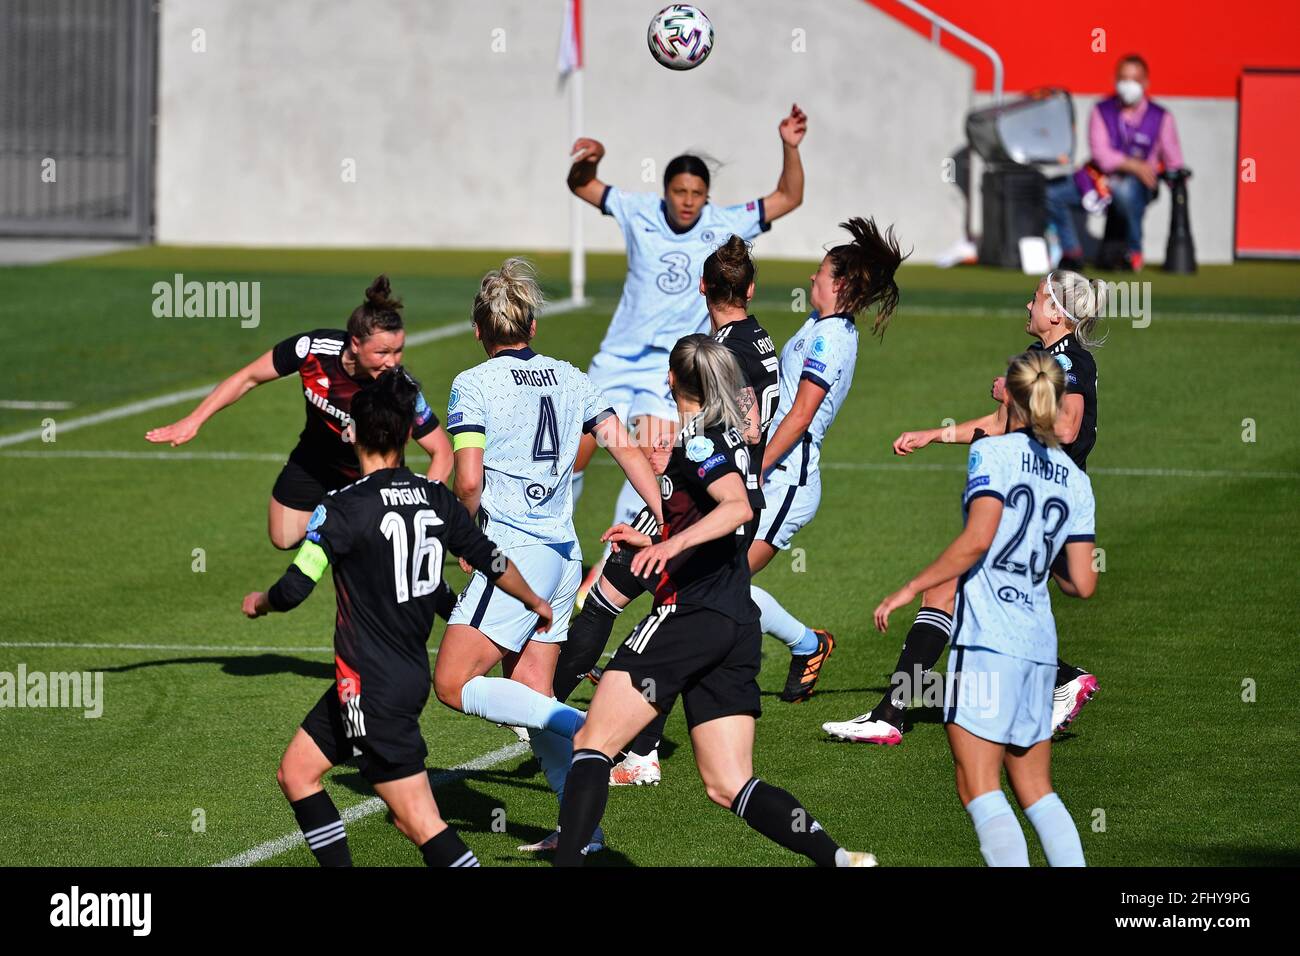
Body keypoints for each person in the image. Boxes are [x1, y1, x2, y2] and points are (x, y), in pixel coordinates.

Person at [553, 335, 875, 867]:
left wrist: (672, 545)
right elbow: (718, 510)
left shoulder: (698, 440)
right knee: (729, 783)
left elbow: (737, 508)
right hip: (735, 623)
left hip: (688, 616)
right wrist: (656, 539)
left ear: (673, 380)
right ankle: (837, 859)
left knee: (591, 742)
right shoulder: (736, 439)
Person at [240, 366, 554, 867]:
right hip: (394, 679)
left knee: (417, 821)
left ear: (352, 433)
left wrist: (261, 602)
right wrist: (535, 601)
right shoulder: (437, 500)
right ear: (408, 434)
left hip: (370, 685)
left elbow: (297, 586)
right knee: (297, 773)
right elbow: (490, 562)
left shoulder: (340, 508)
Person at [429, 258, 661, 855]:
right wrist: (666, 516)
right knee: (532, 688)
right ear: (532, 328)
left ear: (479, 331)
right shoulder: (572, 377)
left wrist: (468, 539)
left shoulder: (471, 385)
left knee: (453, 683)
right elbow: (626, 450)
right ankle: (582, 833)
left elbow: (469, 479)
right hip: (562, 553)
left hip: (513, 555)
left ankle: (584, 729)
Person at [824, 270, 1105, 745]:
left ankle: (893, 714)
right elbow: (999, 424)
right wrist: (933, 434)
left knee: (947, 590)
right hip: (1031, 501)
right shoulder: (1040, 359)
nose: (1028, 306)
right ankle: (894, 711)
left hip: (1038, 504)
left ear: (1056, 313)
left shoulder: (1071, 361)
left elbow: (1070, 427)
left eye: (1036, 299)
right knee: (962, 600)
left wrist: (1019, 396)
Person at [553, 234, 779, 787]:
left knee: (609, 595)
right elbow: (755, 427)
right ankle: (639, 748)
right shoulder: (763, 339)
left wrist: (682, 444)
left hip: (699, 494)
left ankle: (542, 713)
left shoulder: (715, 349)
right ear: (751, 288)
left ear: (702, 287)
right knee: (679, 617)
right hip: (728, 486)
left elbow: (733, 425)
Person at [565, 104, 807, 595]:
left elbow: (788, 196)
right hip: (615, 359)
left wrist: (790, 145)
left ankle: (608, 573)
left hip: (667, 371)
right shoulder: (638, 211)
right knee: (574, 457)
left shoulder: (723, 223)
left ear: (707, 196)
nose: (688, 201)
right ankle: (558, 547)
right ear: (666, 191)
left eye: (697, 193)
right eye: (679, 191)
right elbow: (581, 185)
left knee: (653, 466)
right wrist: (593, 160)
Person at [873, 349, 1098, 866]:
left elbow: (977, 539)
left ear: (1011, 401)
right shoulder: (1074, 478)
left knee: (978, 786)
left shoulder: (991, 453)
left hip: (988, 641)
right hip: (1040, 646)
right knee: (1037, 790)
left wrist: (912, 587)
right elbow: (1082, 583)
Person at [145, 275, 454, 551]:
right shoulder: (312, 350)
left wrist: (421, 505)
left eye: (398, 350)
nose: (392, 361)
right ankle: (342, 531)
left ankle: (351, 540)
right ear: (356, 343)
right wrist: (194, 419)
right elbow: (247, 378)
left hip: (371, 475)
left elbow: (442, 451)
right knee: (282, 537)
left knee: (370, 556)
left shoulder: (400, 388)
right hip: (314, 460)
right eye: (382, 352)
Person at [750, 217, 906, 704]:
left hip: (785, 481)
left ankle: (805, 645)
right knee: (713, 582)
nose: (811, 280)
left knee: (720, 584)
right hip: (773, 469)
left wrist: (757, 467)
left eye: (819, 272)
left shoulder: (831, 337)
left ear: (837, 284)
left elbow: (800, 415)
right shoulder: (819, 324)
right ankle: (802, 644)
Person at [1044, 54, 1185, 272]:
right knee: (1052, 193)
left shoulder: (1161, 117)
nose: (1129, 85)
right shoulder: (1101, 109)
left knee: (1124, 188)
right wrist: (1134, 164)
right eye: (1124, 78)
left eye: (1135, 79)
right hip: (1097, 179)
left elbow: (1174, 161)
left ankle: (1133, 251)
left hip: (1139, 185)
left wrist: (1174, 183)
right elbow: (1101, 155)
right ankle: (1071, 252)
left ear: (1145, 83)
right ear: (1115, 80)